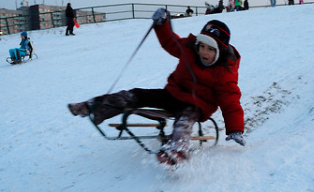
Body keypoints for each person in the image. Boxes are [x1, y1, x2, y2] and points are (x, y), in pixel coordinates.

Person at [68, 11, 245, 166]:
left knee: (185, 119)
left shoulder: (224, 72)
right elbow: (170, 42)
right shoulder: (189, 50)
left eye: (210, 49)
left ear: (220, 51)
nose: (204, 53)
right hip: (171, 94)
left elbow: (231, 102)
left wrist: (235, 128)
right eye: (202, 46)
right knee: (136, 94)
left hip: (196, 105)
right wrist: (162, 24)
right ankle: (92, 107)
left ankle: (177, 151)